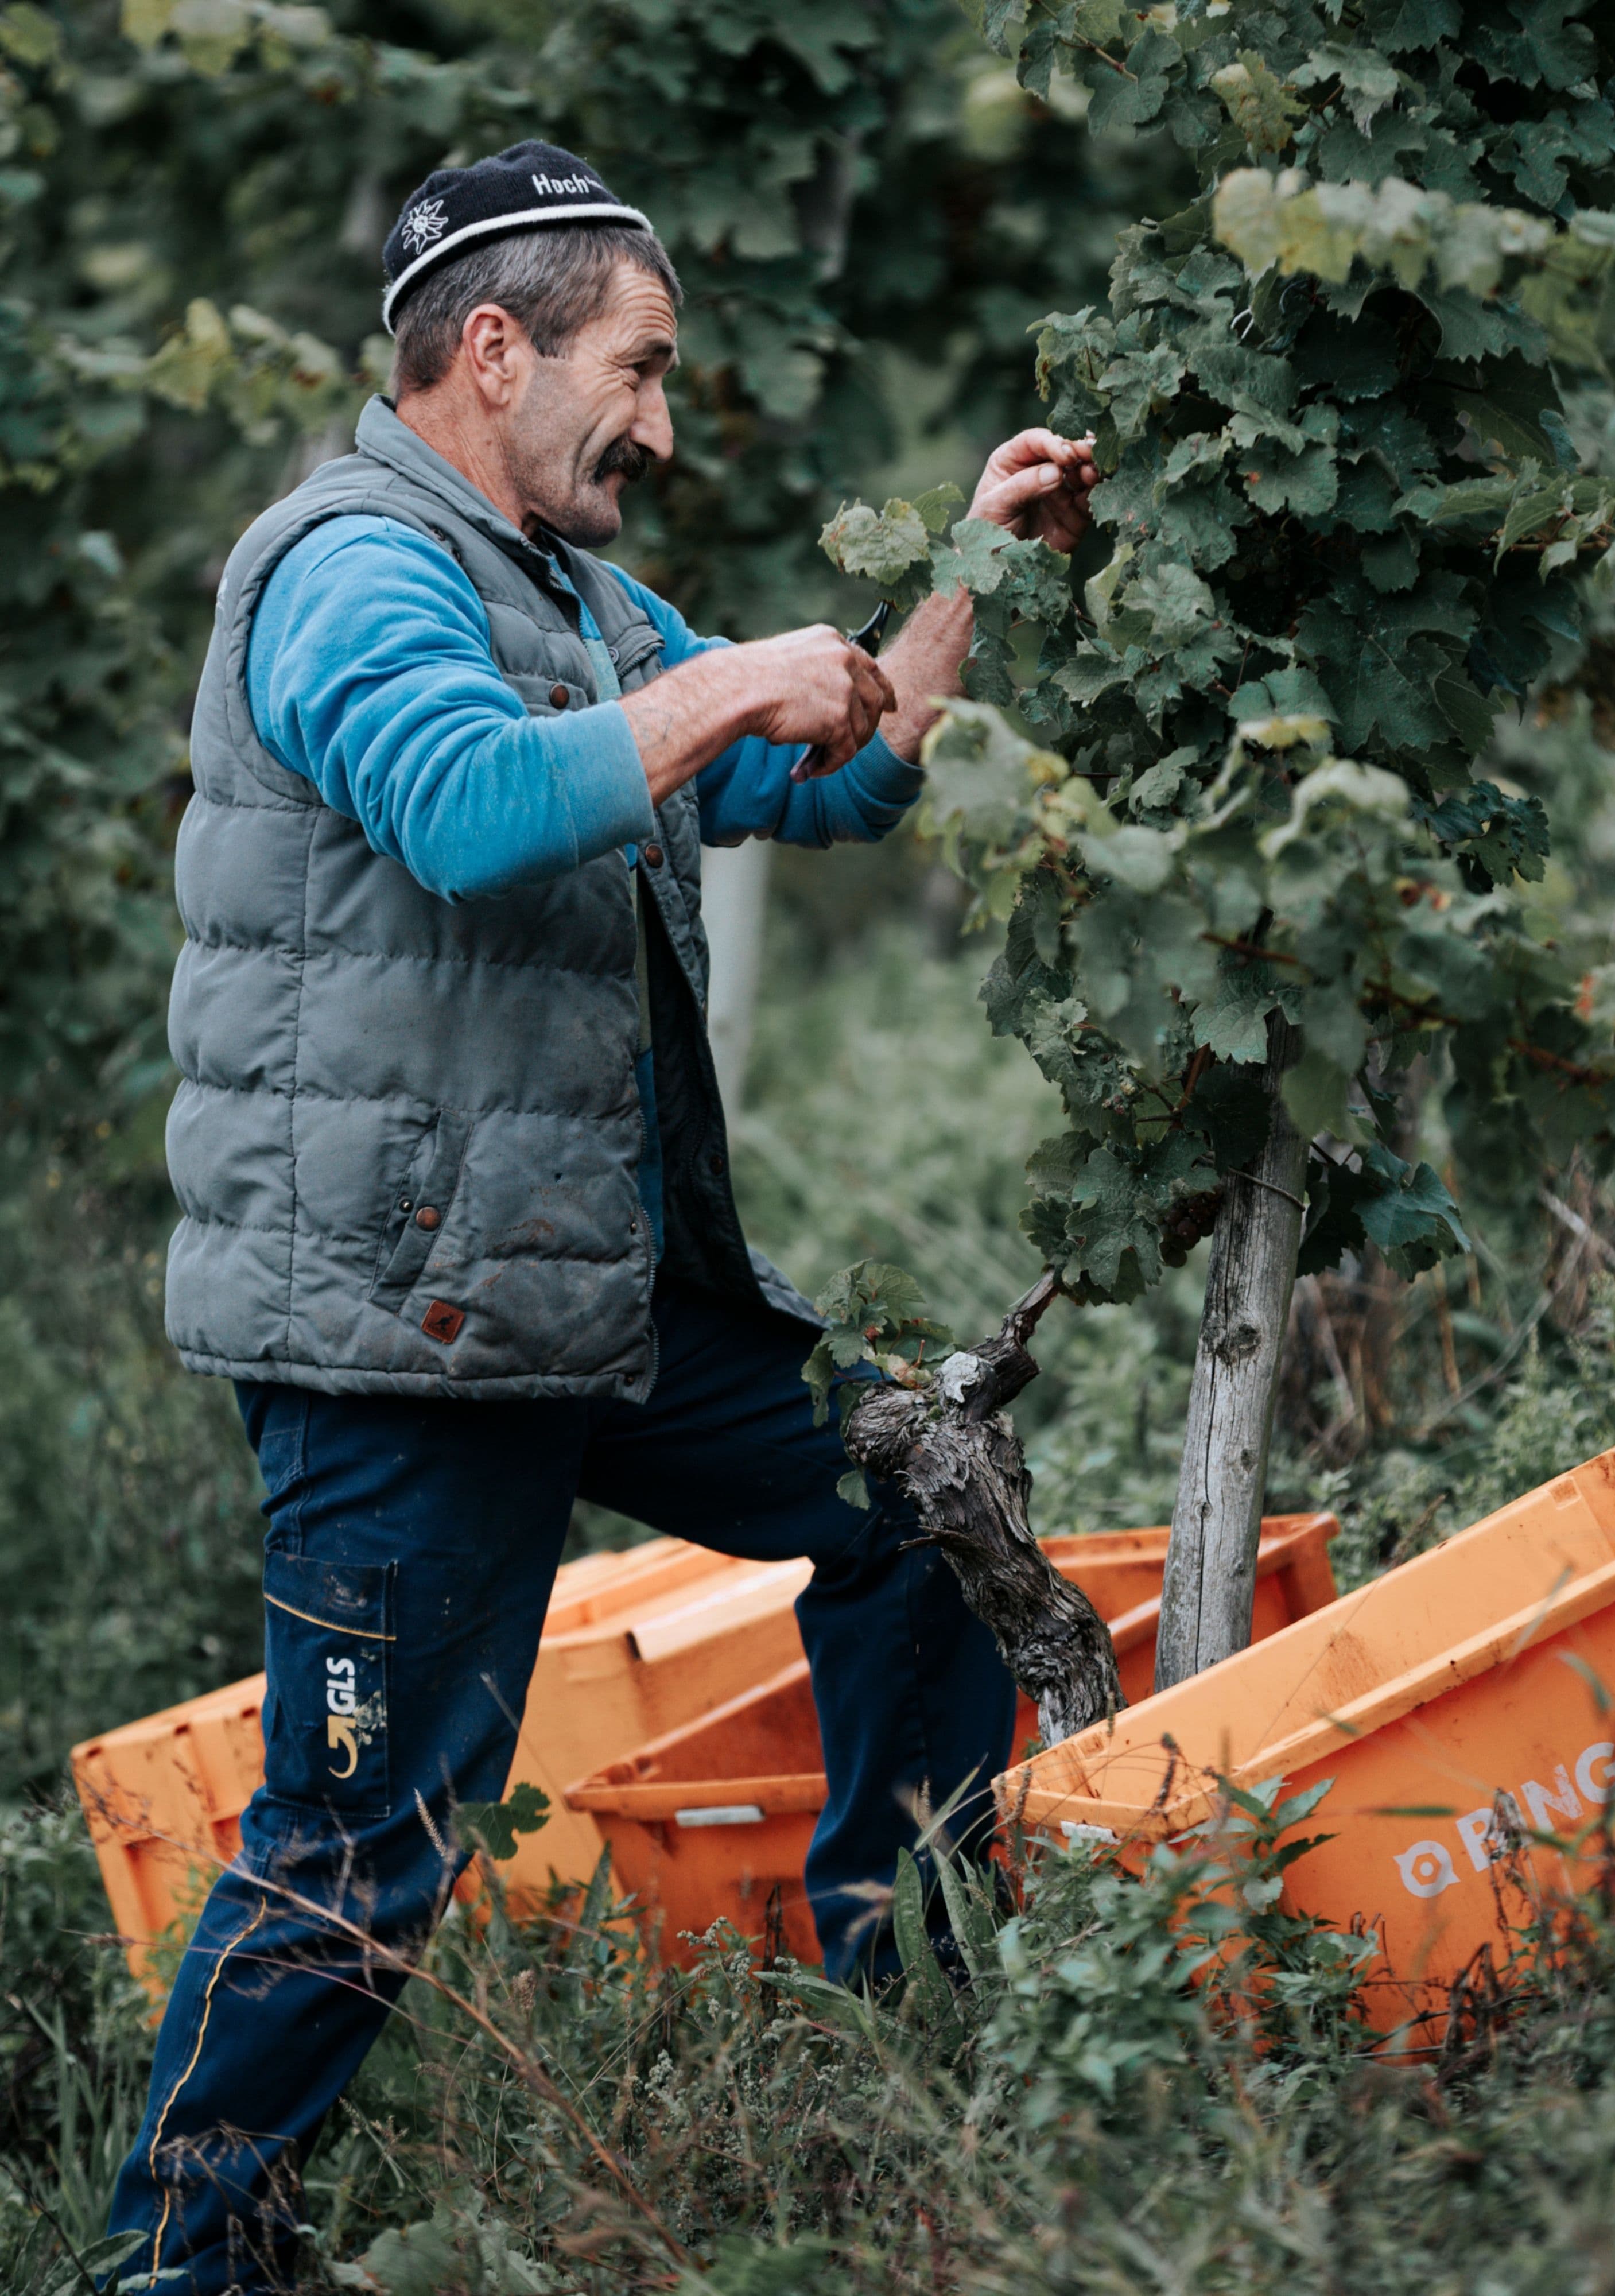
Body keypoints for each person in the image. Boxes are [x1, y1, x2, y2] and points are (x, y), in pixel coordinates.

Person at [106, 141, 1097, 2292]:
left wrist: (964, 581)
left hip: (595, 1299)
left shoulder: (562, 589)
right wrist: (734, 675)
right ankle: (169, 2261)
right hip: (404, 1333)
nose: (663, 416)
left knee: (924, 1496)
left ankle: (885, 2048)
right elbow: (470, 809)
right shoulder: (354, 569)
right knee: (360, 1840)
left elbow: (821, 769)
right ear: (494, 347)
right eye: (638, 368)